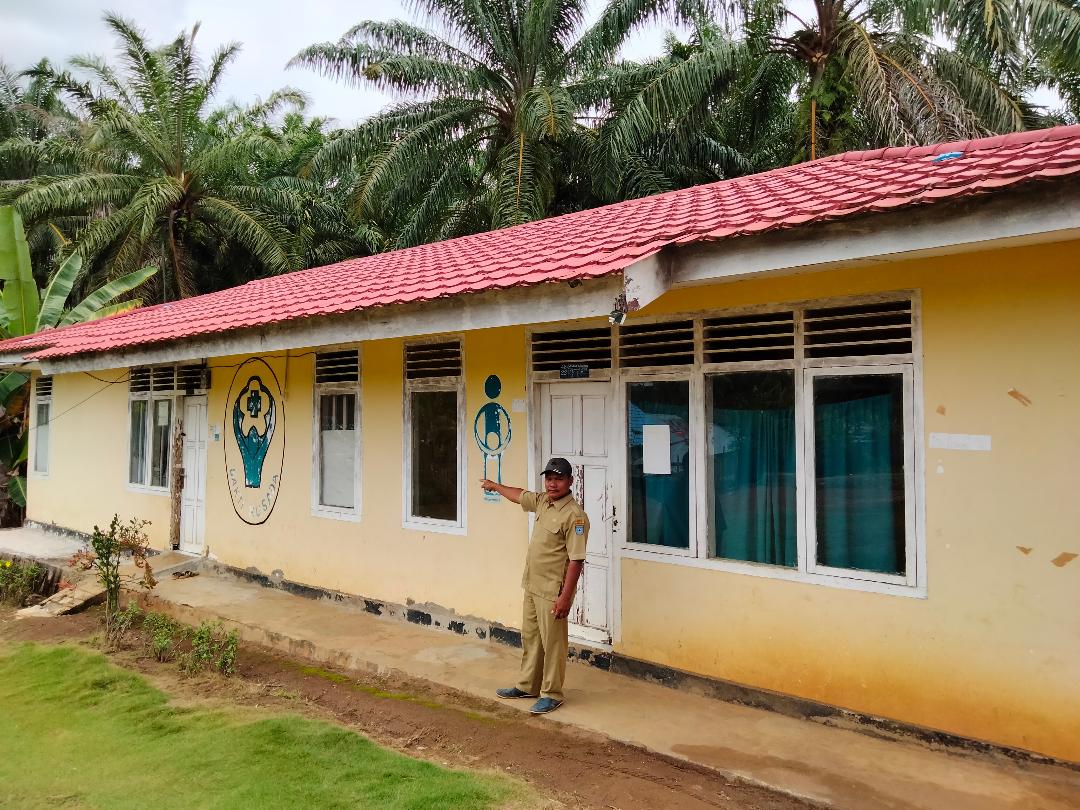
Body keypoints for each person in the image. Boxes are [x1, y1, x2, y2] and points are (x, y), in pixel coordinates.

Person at [480, 457, 589, 714]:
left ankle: (552, 693)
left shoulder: (576, 517)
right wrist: (495, 486)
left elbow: (576, 560)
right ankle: (528, 685)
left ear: (570, 481)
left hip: (553, 590)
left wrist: (565, 597)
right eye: (549, 478)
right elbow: (519, 495)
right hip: (532, 584)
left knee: (553, 643)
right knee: (530, 637)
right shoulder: (542, 501)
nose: (553, 484)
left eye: (558, 479)